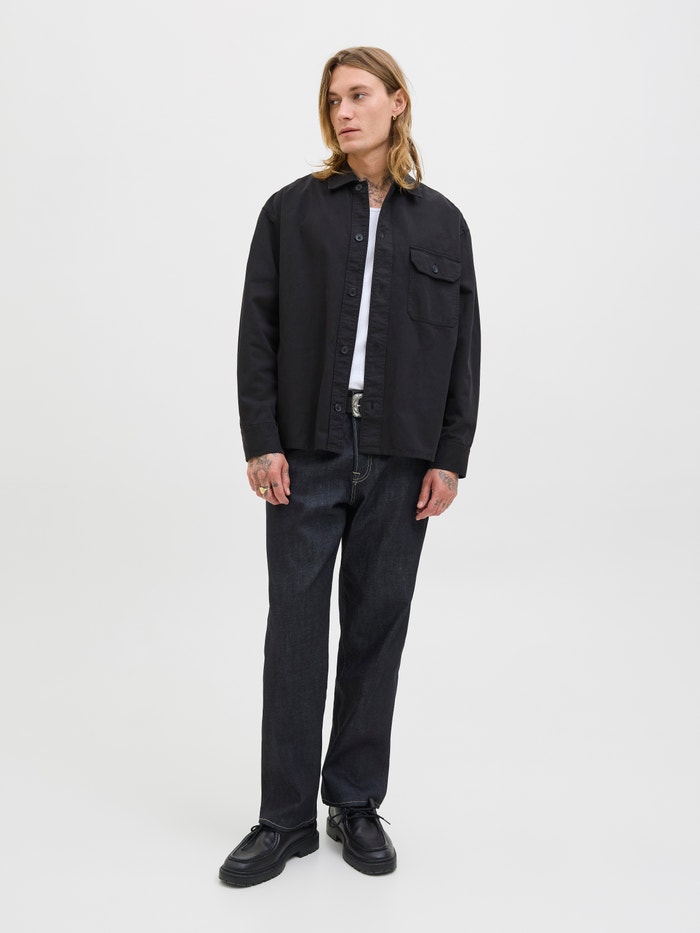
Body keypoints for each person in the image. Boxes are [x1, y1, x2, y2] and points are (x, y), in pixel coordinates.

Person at [219, 46, 481, 887]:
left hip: (403, 459)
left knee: (377, 628)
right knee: (295, 633)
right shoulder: (290, 212)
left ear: (397, 102)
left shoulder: (442, 223)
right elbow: (257, 329)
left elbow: (464, 350)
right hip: (307, 451)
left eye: (360, 95)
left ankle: (356, 801)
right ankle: (284, 818)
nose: (343, 111)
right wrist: (262, 439)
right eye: (333, 98)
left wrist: (450, 455)